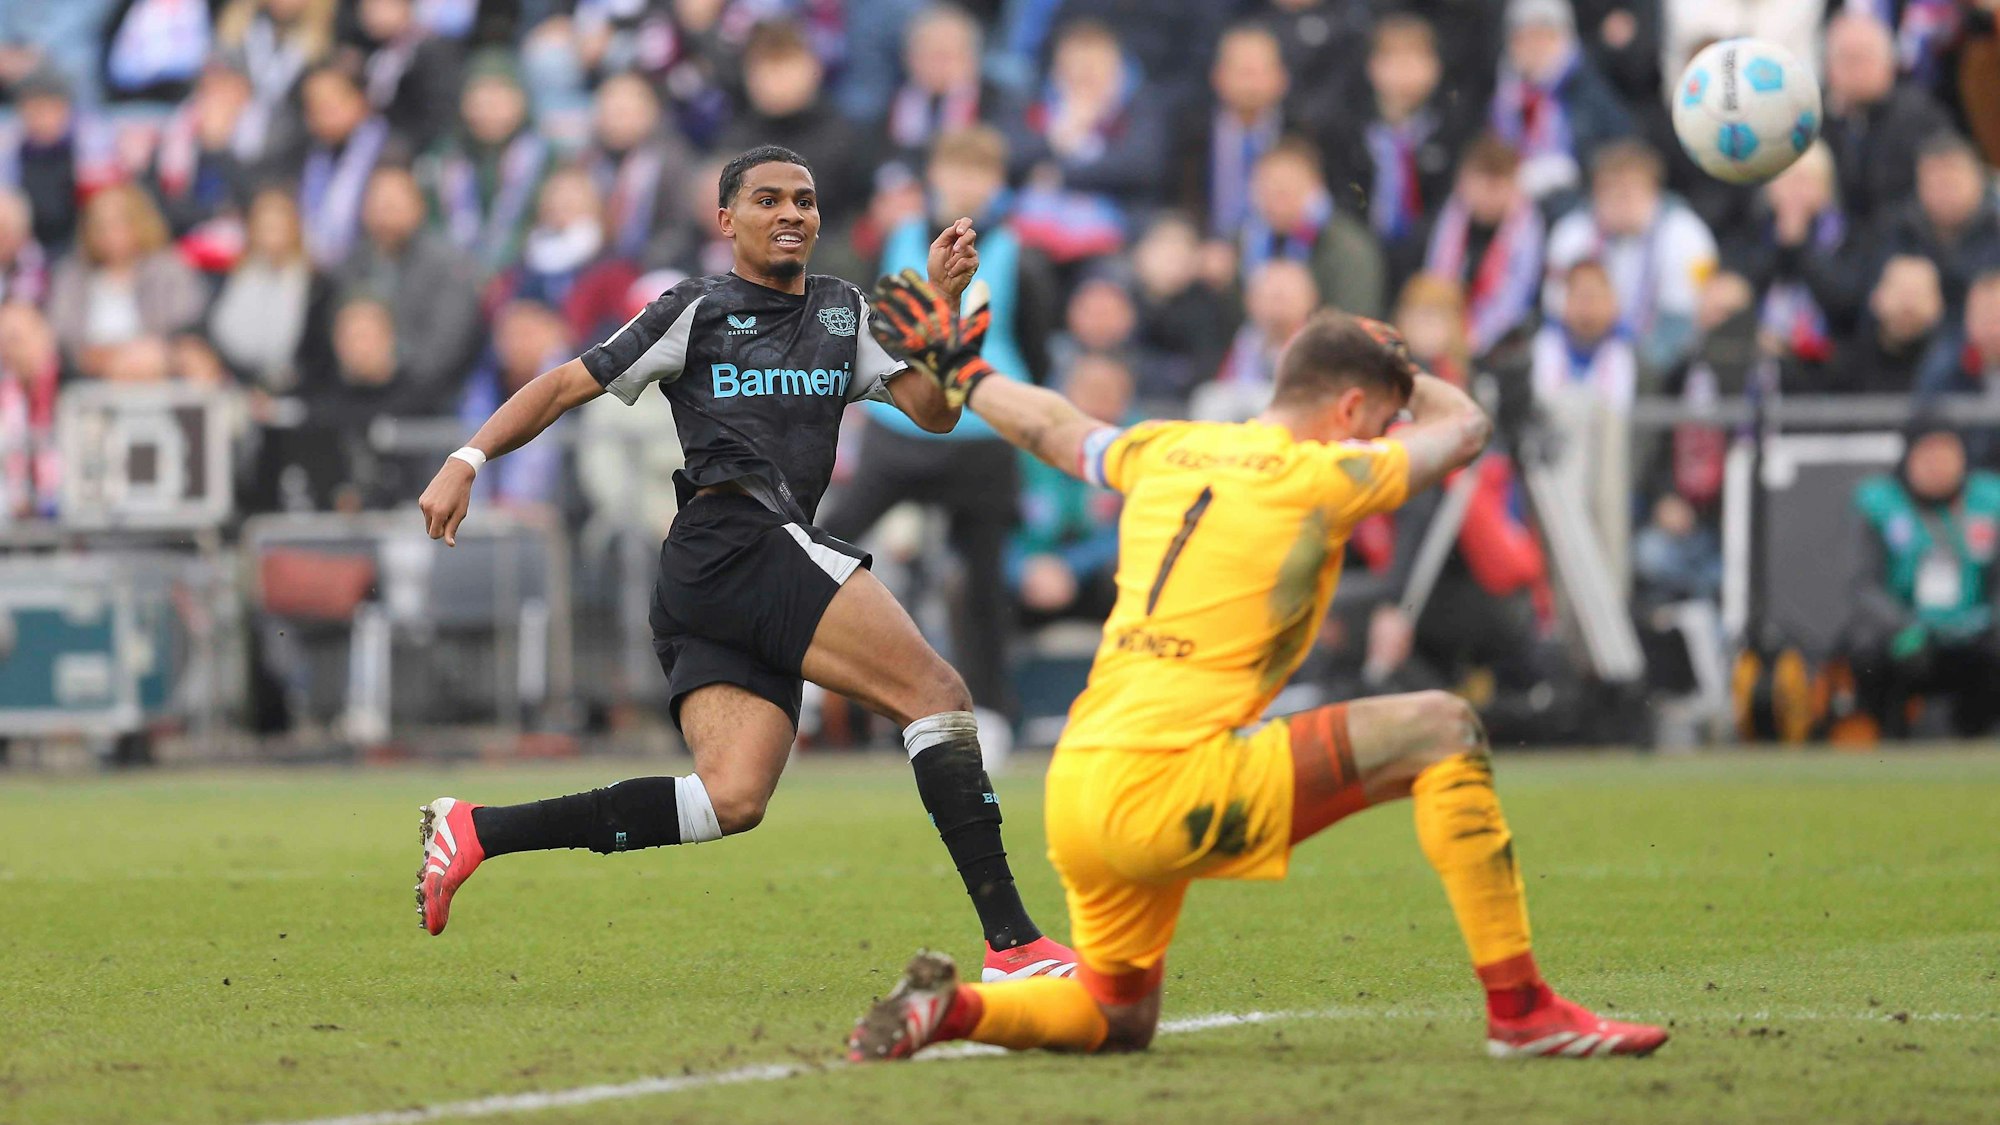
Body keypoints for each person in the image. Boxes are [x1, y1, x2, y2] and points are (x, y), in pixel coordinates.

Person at [847, 274, 1668, 1061]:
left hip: (1082, 784)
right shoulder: (1327, 473)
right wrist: (1411, 377)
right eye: (1379, 419)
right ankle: (1524, 1012)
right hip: (1174, 781)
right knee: (1444, 727)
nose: (1383, 436)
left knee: (1114, 1014)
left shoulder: (1167, 447)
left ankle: (952, 1008)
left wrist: (966, 369)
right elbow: (1468, 429)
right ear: (1349, 407)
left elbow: (1050, 426)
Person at [410, 146, 1078, 984]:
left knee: (730, 799)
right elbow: (561, 386)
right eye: (768, 200)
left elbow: (933, 414)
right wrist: (466, 458)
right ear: (727, 220)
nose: (791, 213)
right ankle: (1014, 943)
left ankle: (475, 829)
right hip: (733, 540)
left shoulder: (845, 311)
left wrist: (941, 305)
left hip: (727, 567)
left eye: (804, 199)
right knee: (936, 696)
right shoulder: (692, 309)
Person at [820, 125, 1058, 740]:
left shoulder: (1017, 255)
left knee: (983, 585)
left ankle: (994, 714)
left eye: (979, 175)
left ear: (997, 184)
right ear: (934, 176)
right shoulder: (897, 240)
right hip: (897, 430)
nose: (965, 187)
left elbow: (1034, 344)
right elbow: (865, 328)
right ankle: (804, 687)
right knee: (825, 546)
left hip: (980, 436)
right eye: (955, 172)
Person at [1845, 427, 2000, 738]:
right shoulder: (1882, 504)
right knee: (1869, 648)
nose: (1937, 465)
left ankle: (1978, 741)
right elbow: (1863, 584)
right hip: (1908, 631)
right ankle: (1887, 742)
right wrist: (1900, 625)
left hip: (1974, 630)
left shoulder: (1988, 501)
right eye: (1928, 454)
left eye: (1946, 453)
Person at [1543, 139, 1717, 376]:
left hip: (1661, 368)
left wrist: (1635, 368)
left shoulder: (1685, 234)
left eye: (1630, 190)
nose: (1620, 201)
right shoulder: (1572, 234)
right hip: (1584, 358)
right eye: (1610, 190)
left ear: (1654, 191)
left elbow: (1681, 322)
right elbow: (1557, 312)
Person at [45, 183, 205, 380]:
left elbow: (185, 323)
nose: (108, 233)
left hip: (157, 370)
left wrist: (144, 355)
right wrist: (99, 358)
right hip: (88, 375)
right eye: (99, 225)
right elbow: (61, 335)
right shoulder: (71, 275)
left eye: (118, 223)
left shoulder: (168, 269)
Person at [1819, 11, 1953, 228]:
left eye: (1864, 57)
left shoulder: (1921, 117)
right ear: (1828, 66)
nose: (1855, 69)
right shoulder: (1812, 120)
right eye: (1845, 58)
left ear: (1889, 63)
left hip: (1903, 243)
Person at [1422, 133, 1545, 359]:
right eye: (1482, 183)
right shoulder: (1445, 220)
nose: (1489, 197)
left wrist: (1474, 339)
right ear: (1463, 182)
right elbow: (1434, 284)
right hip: (1444, 332)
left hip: (1504, 342)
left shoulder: (1528, 229)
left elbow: (1517, 300)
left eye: (1498, 186)